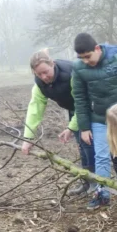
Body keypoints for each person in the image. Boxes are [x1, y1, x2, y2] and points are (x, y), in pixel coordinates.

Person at [72, 33, 117, 210]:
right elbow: (80, 99)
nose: (86, 61)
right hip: (99, 118)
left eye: (88, 56)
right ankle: (102, 193)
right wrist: (84, 127)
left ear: (97, 49)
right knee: (101, 156)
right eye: (81, 58)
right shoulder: (79, 69)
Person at [22, 50, 95, 196]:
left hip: (92, 105)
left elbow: (83, 104)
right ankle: (87, 183)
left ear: (52, 64)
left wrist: (70, 127)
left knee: (89, 144)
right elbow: (35, 109)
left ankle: (98, 185)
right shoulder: (39, 85)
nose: (44, 77)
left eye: (45, 72)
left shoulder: (72, 74)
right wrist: (28, 138)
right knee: (82, 146)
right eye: (38, 74)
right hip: (74, 109)